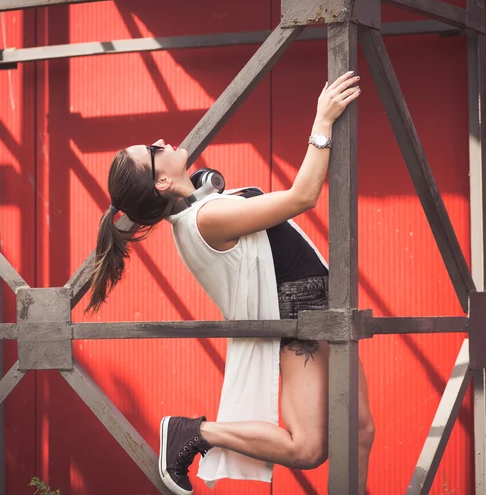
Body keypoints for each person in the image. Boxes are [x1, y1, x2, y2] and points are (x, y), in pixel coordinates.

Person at [87, 71, 373, 495]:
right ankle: (193, 433)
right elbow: (302, 197)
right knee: (308, 448)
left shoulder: (199, 207)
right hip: (299, 317)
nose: (162, 142)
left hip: (322, 304)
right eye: (152, 151)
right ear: (161, 181)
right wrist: (322, 122)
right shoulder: (207, 217)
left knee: (361, 430)